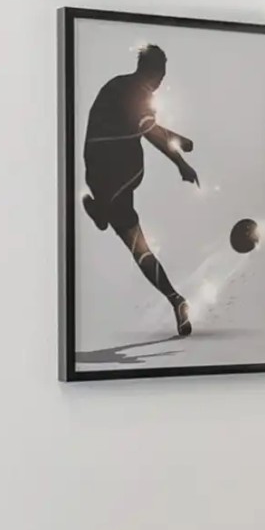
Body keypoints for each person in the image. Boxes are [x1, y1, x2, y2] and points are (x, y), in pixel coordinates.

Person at [78, 42, 198, 338]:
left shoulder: (121, 87)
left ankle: (175, 299)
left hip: (102, 172)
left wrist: (178, 138)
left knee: (140, 250)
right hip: (117, 170)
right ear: (153, 71)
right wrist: (180, 162)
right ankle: (102, 210)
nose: (161, 82)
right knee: (137, 244)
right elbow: (150, 132)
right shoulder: (138, 91)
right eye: (161, 75)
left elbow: (142, 126)